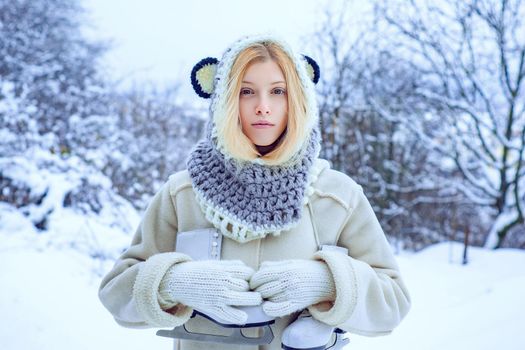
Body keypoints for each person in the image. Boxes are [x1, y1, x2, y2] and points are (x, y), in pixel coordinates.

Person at [98, 34, 411, 350]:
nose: (263, 107)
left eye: (278, 91)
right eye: (246, 92)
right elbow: (116, 294)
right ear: (224, 100)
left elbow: (393, 303)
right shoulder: (182, 194)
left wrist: (328, 283)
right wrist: (176, 283)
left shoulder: (337, 196)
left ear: (299, 99)